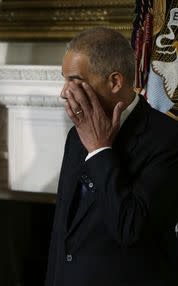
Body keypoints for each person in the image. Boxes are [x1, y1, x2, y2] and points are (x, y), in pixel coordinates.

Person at [46, 27, 178, 286]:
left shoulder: (169, 139)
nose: (64, 92)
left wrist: (99, 150)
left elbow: (130, 229)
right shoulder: (76, 135)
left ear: (115, 82)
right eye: (64, 79)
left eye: (75, 80)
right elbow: (62, 234)